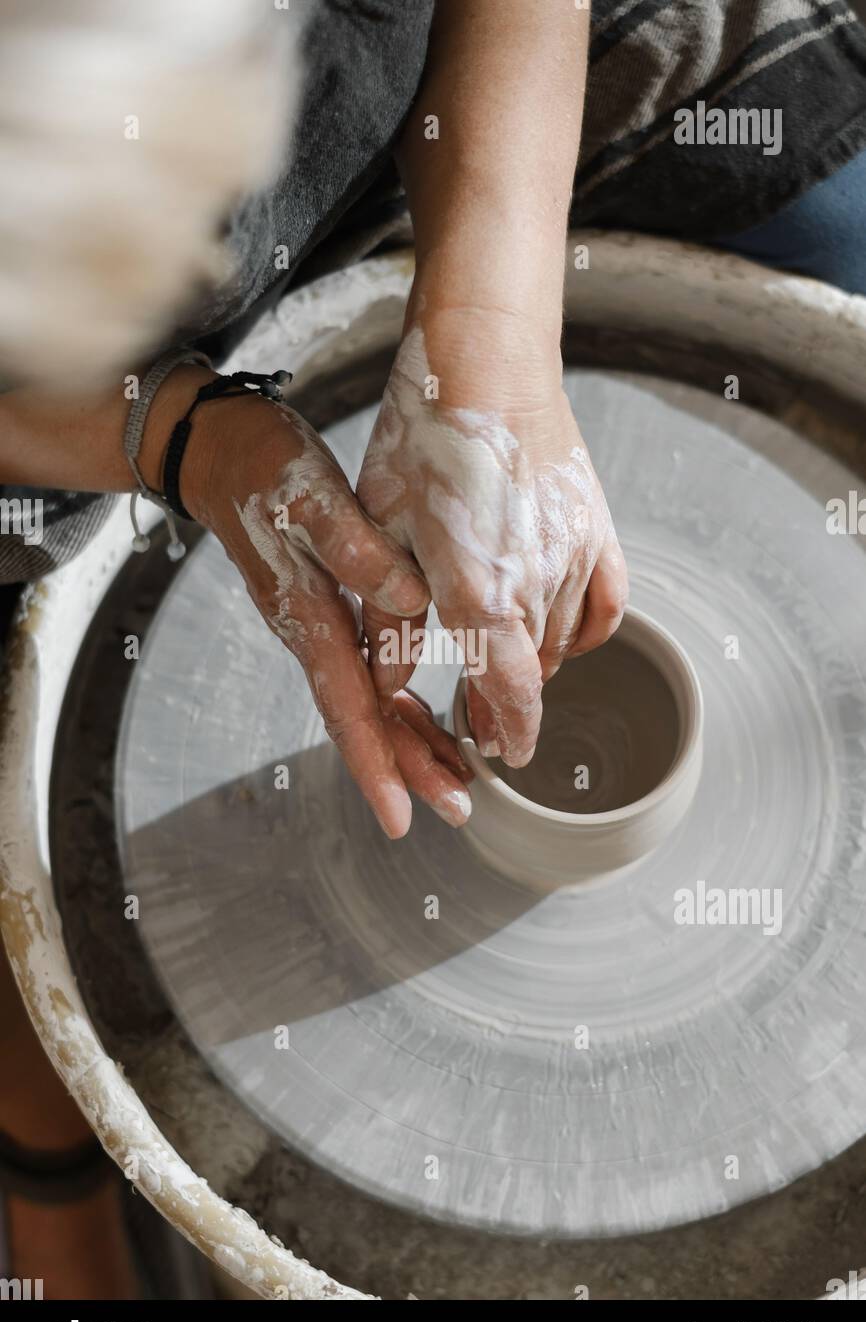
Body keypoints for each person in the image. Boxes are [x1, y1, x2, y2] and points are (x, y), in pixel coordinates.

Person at [1, 0, 865, 841]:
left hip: (427, 89)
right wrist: (185, 437)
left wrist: (494, 340)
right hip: (47, 388)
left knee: (838, 215)